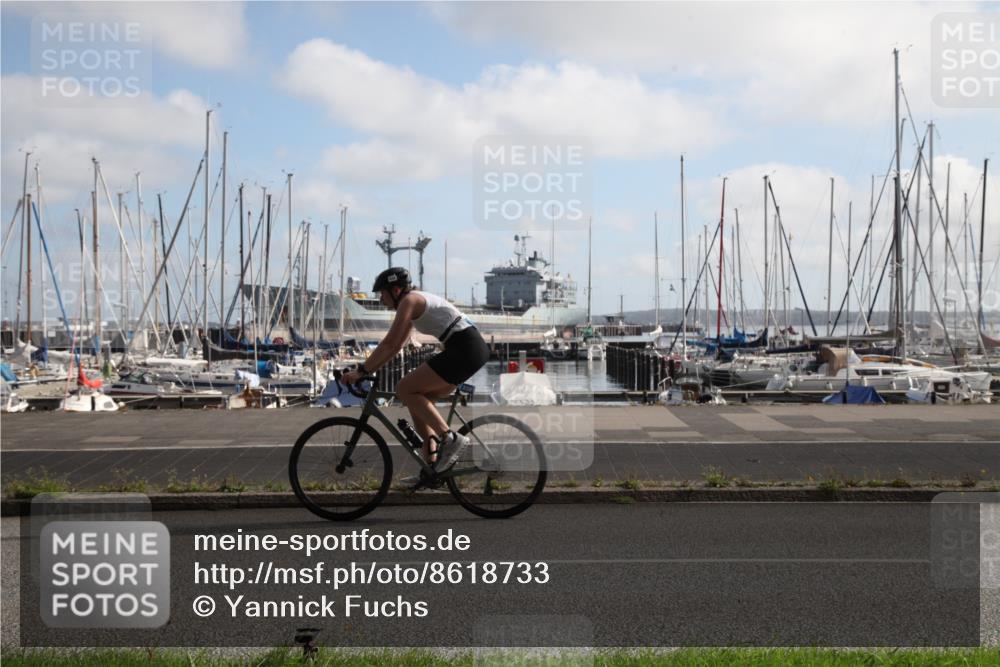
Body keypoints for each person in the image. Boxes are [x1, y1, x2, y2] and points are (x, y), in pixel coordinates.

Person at [342, 267, 489, 474]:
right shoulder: (413, 302)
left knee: (404, 389)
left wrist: (361, 371)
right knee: (417, 400)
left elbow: (389, 343)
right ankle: (431, 469)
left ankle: (450, 438)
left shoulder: (409, 301)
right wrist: (368, 370)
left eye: (382, 293)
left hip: (465, 349)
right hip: (469, 349)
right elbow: (396, 346)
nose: (381, 299)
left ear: (395, 290)